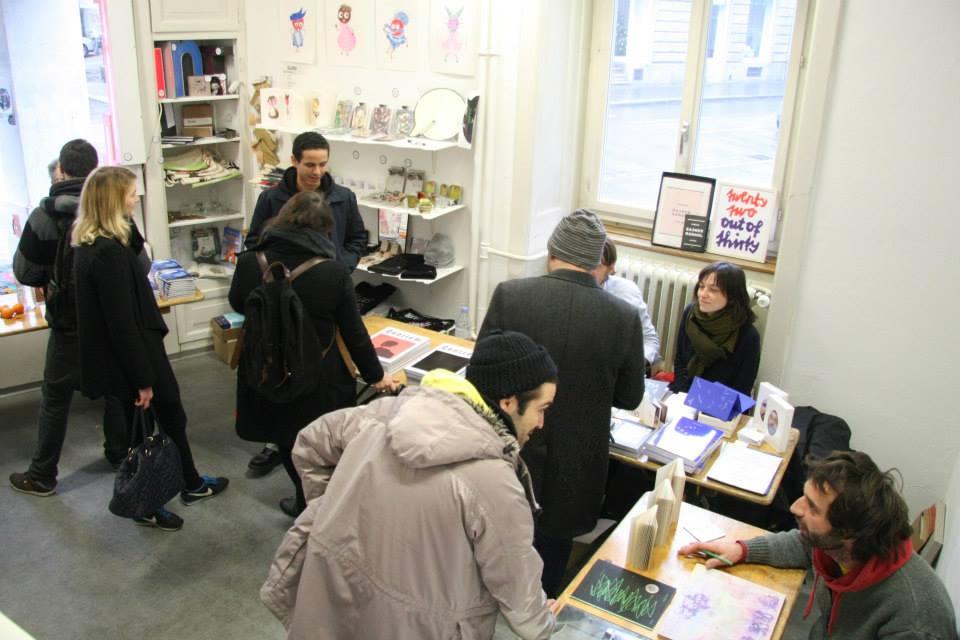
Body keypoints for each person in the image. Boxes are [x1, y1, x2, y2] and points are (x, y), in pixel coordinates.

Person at [260, 330, 560, 639]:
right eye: (542, 409)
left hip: (340, 600)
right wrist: (544, 626)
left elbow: (311, 443)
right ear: (509, 402)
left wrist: (334, 513)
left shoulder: (386, 413)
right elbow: (517, 587)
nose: (541, 424)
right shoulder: (495, 483)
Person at [478, 209, 646, 597]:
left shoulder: (511, 295)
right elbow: (630, 396)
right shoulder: (623, 317)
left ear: (552, 251)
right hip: (578, 461)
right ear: (596, 262)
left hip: (509, 451)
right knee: (551, 566)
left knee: (493, 548)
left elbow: (481, 373)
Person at [72, 166, 228, 532]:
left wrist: (127, 224)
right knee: (146, 431)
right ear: (112, 201)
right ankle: (147, 502)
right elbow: (121, 322)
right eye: (129, 194)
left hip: (134, 352)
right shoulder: (106, 255)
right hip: (134, 357)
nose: (135, 198)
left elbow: (137, 255)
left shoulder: (100, 242)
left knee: (170, 418)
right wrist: (143, 379)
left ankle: (189, 482)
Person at [229, 191, 396, 517]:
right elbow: (354, 333)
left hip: (267, 368)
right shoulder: (331, 272)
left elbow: (238, 304)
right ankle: (326, 506)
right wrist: (376, 376)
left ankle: (304, 500)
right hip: (318, 376)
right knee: (324, 445)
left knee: (286, 439)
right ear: (322, 230)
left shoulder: (251, 261)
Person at [679, 451, 958, 639]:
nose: (794, 508)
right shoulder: (846, 549)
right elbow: (805, 544)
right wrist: (742, 549)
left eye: (812, 507)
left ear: (849, 532)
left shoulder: (915, 623)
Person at [9, 140, 131, 498]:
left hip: (67, 323)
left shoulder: (43, 216)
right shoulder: (114, 212)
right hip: (110, 323)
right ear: (96, 170)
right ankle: (118, 453)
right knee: (115, 391)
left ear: (61, 170)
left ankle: (43, 473)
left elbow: (24, 272)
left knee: (55, 396)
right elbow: (139, 265)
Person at [244, 131, 369, 475]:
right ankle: (280, 443)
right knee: (283, 371)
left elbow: (358, 237)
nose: (317, 171)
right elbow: (255, 243)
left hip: (325, 298)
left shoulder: (342, 197)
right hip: (282, 304)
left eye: (323, 164)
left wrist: (342, 265)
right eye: (310, 164)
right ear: (295, 161)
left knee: (323, 376)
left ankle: (317, 452)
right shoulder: (272, 199)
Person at [669, 261, 760, 395]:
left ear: (732, 296)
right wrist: (682, 395)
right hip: (684, 393)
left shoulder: (748, 335)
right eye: (701, 287)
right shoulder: (690, 314)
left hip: (719, 403)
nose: (703, 294)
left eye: (713, 290)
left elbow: (742, 386)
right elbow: (680, 360)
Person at [592, 238, 662, 370]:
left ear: (611, 267)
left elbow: (650, 340)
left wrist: (638, 364)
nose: (589, 270)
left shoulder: (626, 291)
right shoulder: (571, 292)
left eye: (597, 265)